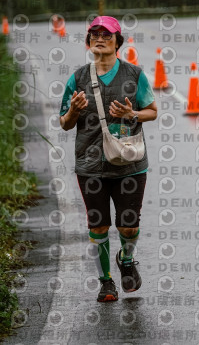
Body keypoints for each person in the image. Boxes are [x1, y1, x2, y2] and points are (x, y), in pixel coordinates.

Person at [59, 16, 157, 302]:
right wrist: (74, 111)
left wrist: (132, 115)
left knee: (129, 225)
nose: (100, 38)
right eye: (94, 35)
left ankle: (126, 259)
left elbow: (152, 110)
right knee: (98, 226)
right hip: (90, 167)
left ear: (117, 42)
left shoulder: (134, 75)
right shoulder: (77, 78)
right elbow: (64, 123)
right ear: (89, 42)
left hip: (130, 164)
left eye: (107, 35)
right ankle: (106, 282)